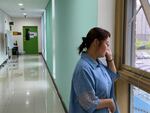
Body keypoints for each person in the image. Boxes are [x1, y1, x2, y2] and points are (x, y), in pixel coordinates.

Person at [69, 27, 120, 113]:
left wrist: (110, 58)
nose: (108, 48)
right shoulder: (83, 69)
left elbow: (112, 77)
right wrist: (110, 102)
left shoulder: (97, 63)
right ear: (96, 42)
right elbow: (88, 102)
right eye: (107, 44)